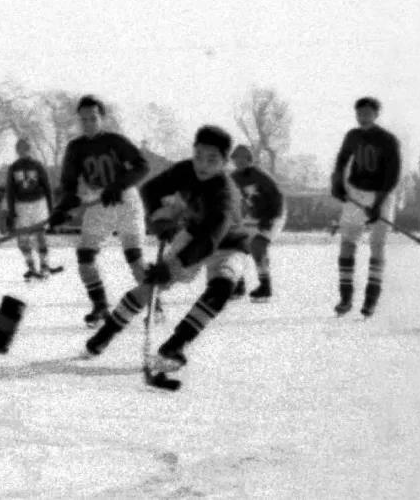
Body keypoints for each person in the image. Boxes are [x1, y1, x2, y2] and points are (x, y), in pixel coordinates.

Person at [83, 125, 250, 372]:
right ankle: (105, 334)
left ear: (226, 162)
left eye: (212, 159)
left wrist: (173, 265)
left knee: (222, 287)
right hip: (193, 233)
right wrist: (160, 220)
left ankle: (176, 345)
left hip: (228, 245)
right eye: (198, 156)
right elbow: (150, 190)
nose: (202, 165)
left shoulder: (226, 196)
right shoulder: (185, 170)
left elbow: (209, 241)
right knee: (153, 284)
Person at [49, 95, 150, 327]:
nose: (88, 123)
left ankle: (154, 303)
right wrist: (62, 208)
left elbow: (142, 166)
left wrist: (118, 185)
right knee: (85, 258)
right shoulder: (75, 148)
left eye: (93, 118)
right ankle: (100, 307)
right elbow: (69, 185)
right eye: (83, 119)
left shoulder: (115, 141)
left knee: (134, 257)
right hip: (97, 202)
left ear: (102, 118)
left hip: (125, 200)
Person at [329, 97, 401, 318]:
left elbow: (392, 175)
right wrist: (338, 185)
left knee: (377, 245)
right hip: (357, 192)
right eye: (359, 113)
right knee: (348, 243)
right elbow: (341, 161)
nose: (362, 117)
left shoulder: (388, 139)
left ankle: (370, 301)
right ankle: (346, 298)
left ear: (376, 114)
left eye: (367, 113)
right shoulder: (353, 136)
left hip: (383, 193)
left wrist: (378, 204)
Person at [228, 145, 286, 303]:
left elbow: (277, 196)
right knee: (234, 247)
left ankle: (265, 287)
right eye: (236, 158)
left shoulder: (259, 175)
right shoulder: (233, 177)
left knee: (258, 246)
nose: (239, 162)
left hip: (274, 215)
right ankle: (238, 286)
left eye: (243, 158)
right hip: (254, 216)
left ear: (249, 160)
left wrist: (269, 217)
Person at [5, 137, 56, 281]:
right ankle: (31, 267)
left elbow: (47, 188)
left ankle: (44, 267)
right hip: (21, 205)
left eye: (26, 148)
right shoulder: (13, 168)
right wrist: (11, 212)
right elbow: (10, 191)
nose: (23, 152)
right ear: (17, 150)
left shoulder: (38, 165)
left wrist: (51, 210)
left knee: (40, 236)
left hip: (39, 204)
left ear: (30, 149)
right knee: (22, 239)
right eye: (20, 149)